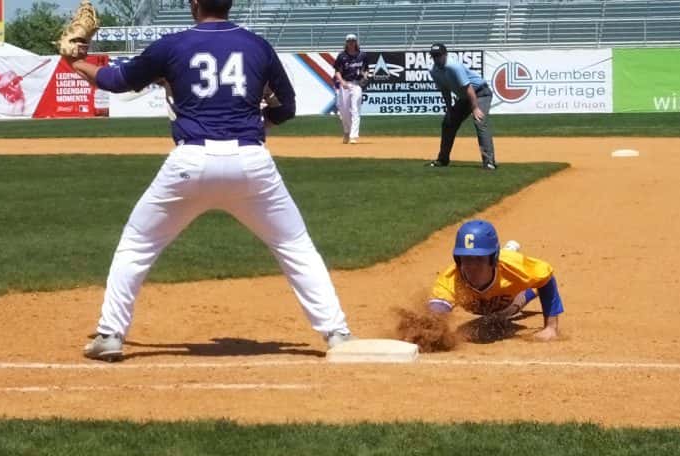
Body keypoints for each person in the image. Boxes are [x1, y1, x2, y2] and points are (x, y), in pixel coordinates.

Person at [65, 0, 355, 361]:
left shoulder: (172, 45)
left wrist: (75, 62)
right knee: (295, 246)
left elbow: (115, 81)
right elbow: (287, 107)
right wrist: (257, 124)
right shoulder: (257, 45)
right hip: (251, 163)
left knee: (137, 244)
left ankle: (110, 334)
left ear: (194, 4)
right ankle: (337, 333)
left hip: (190, 161)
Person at [428, 220, 563, 341]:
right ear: (458, 260)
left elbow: (546, 277)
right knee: (498, 313)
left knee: (505, 311)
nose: (472, 267)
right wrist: (429, 330)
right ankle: (509, 252)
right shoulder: (450, 280)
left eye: (479, 259)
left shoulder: (515, 269)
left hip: (507, 296)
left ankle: (512, 258)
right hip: (499, 293)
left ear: (493, 259)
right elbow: (436, 311)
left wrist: (551, 327)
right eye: (467, 258)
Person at [427, 43, 497, 171]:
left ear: (445, 55)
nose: (437, 59)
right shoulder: (434, 71)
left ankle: (489, 162)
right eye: (434, 56)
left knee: (479, 121)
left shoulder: (454, 66)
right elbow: (445, 90)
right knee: (448, 123)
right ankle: (443, 159)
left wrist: (475, 108)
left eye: (439, 56)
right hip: (465, 97)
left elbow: (469, 88)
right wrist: (449, 110)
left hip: (480, 93)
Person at [333, 33, 368, 144]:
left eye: (353, 41)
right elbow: (337, 71)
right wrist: (342, 81)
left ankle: (353, 135)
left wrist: (365, 75)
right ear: (346, 43)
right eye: (349, 41)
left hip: (356, 84)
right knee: (343, 112)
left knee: (355, 109)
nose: (351, 43)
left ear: (356, 42)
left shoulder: (362, 55)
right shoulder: (342, 56)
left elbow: (365, 69)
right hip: (345, 84)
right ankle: (347, 131)